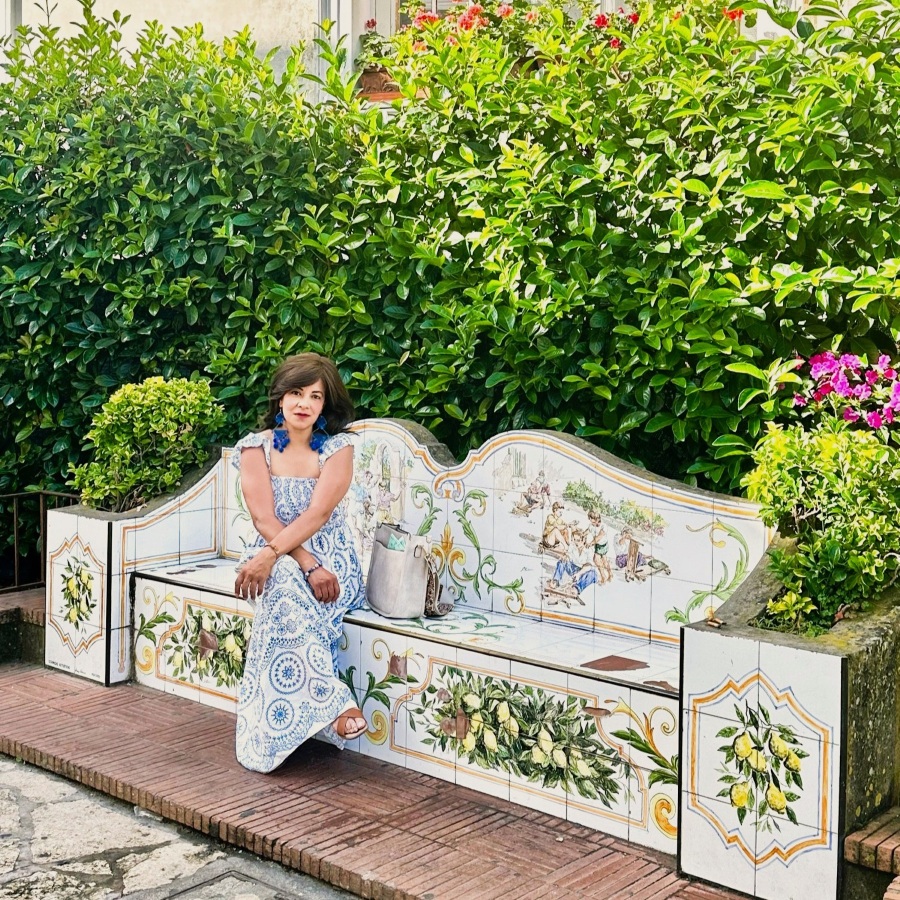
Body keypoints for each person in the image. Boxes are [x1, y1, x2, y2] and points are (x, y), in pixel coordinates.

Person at [231, 353, 367, 774]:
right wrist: (296, 562)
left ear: (326, 405)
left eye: (315, 396)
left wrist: (279, 560)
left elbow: (317, 516)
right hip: (281, 554)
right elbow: (263, 519)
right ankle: (333, 702)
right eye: (295, 393)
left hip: (331, 559)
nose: (303, 403)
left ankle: (284, 725)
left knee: (283, 579)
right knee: (286, 580)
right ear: (280, 398)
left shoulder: (338, 448)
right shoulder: (257, 448)